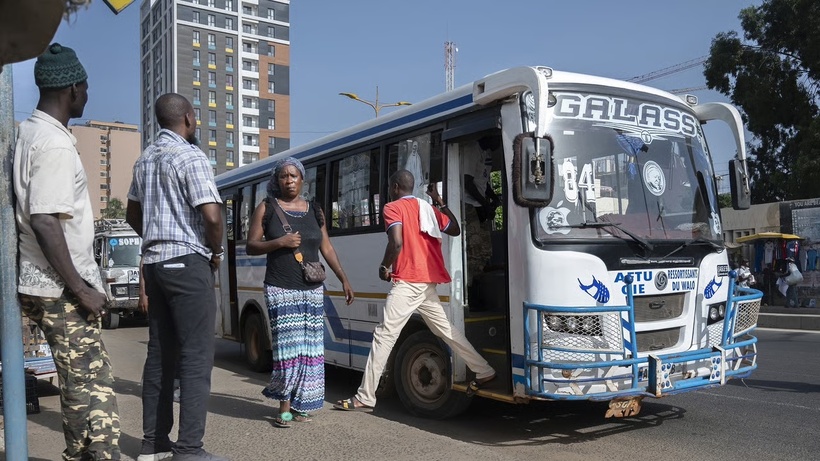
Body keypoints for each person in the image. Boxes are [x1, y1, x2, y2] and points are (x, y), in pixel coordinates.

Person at [13, 43, 121, 461]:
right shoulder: (54, 145)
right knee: (93, 390)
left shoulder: (29, 132)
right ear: (73, 89)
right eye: (87, 87)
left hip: (45, 283)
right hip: (60, 289)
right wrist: (82, 289)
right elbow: (44, 219)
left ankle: (81, 453)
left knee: (79, 382)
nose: (88, 94)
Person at [334, 170, 495, 412]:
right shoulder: (428, 209)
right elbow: (455, 229)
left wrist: (384, 266)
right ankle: (484, 370)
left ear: (396, 186)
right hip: (427, 282)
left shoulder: (392, 208)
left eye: (390, 187)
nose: (389, 192)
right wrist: (439, 201)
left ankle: (365, 396)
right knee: (446, 330)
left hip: (408, 282)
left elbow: (396, 242)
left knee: (384, 336)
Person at [126, 93, 226, 461]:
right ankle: (189, 449)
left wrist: (156, 235)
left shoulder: (145, 159)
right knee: (197, 358)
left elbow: (132, 214)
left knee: (160, 357)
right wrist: (214, 252)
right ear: (188, 117)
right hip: (187, 263)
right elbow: (212, 217)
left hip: (154, 266)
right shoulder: (190, 155)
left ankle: (153, 445)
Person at [246, 157, 354, 427]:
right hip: (280, 287)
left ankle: (300, 403)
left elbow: (326, 247)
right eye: (284, 176)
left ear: (302, 180)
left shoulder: (315, 210)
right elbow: (251, 246)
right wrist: (280, 242)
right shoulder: (267, 208)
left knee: (310, 350)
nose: (289, 180)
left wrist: (343, 278)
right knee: (287, 350)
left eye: (294, 176)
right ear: (277, 180)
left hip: (312, 289)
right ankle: (283, 405)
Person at [463, 135, 502, 299]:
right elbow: (468, 183)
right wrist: (485, 204)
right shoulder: (473, 149)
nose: (498, 143)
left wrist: (494, 197)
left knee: (485, 251)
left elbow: (482, 183)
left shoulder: (486, 153)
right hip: (469, 203)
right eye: (497, 138)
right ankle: (469, 292)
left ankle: (479, 288)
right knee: (474, 250)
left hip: (480, 204)